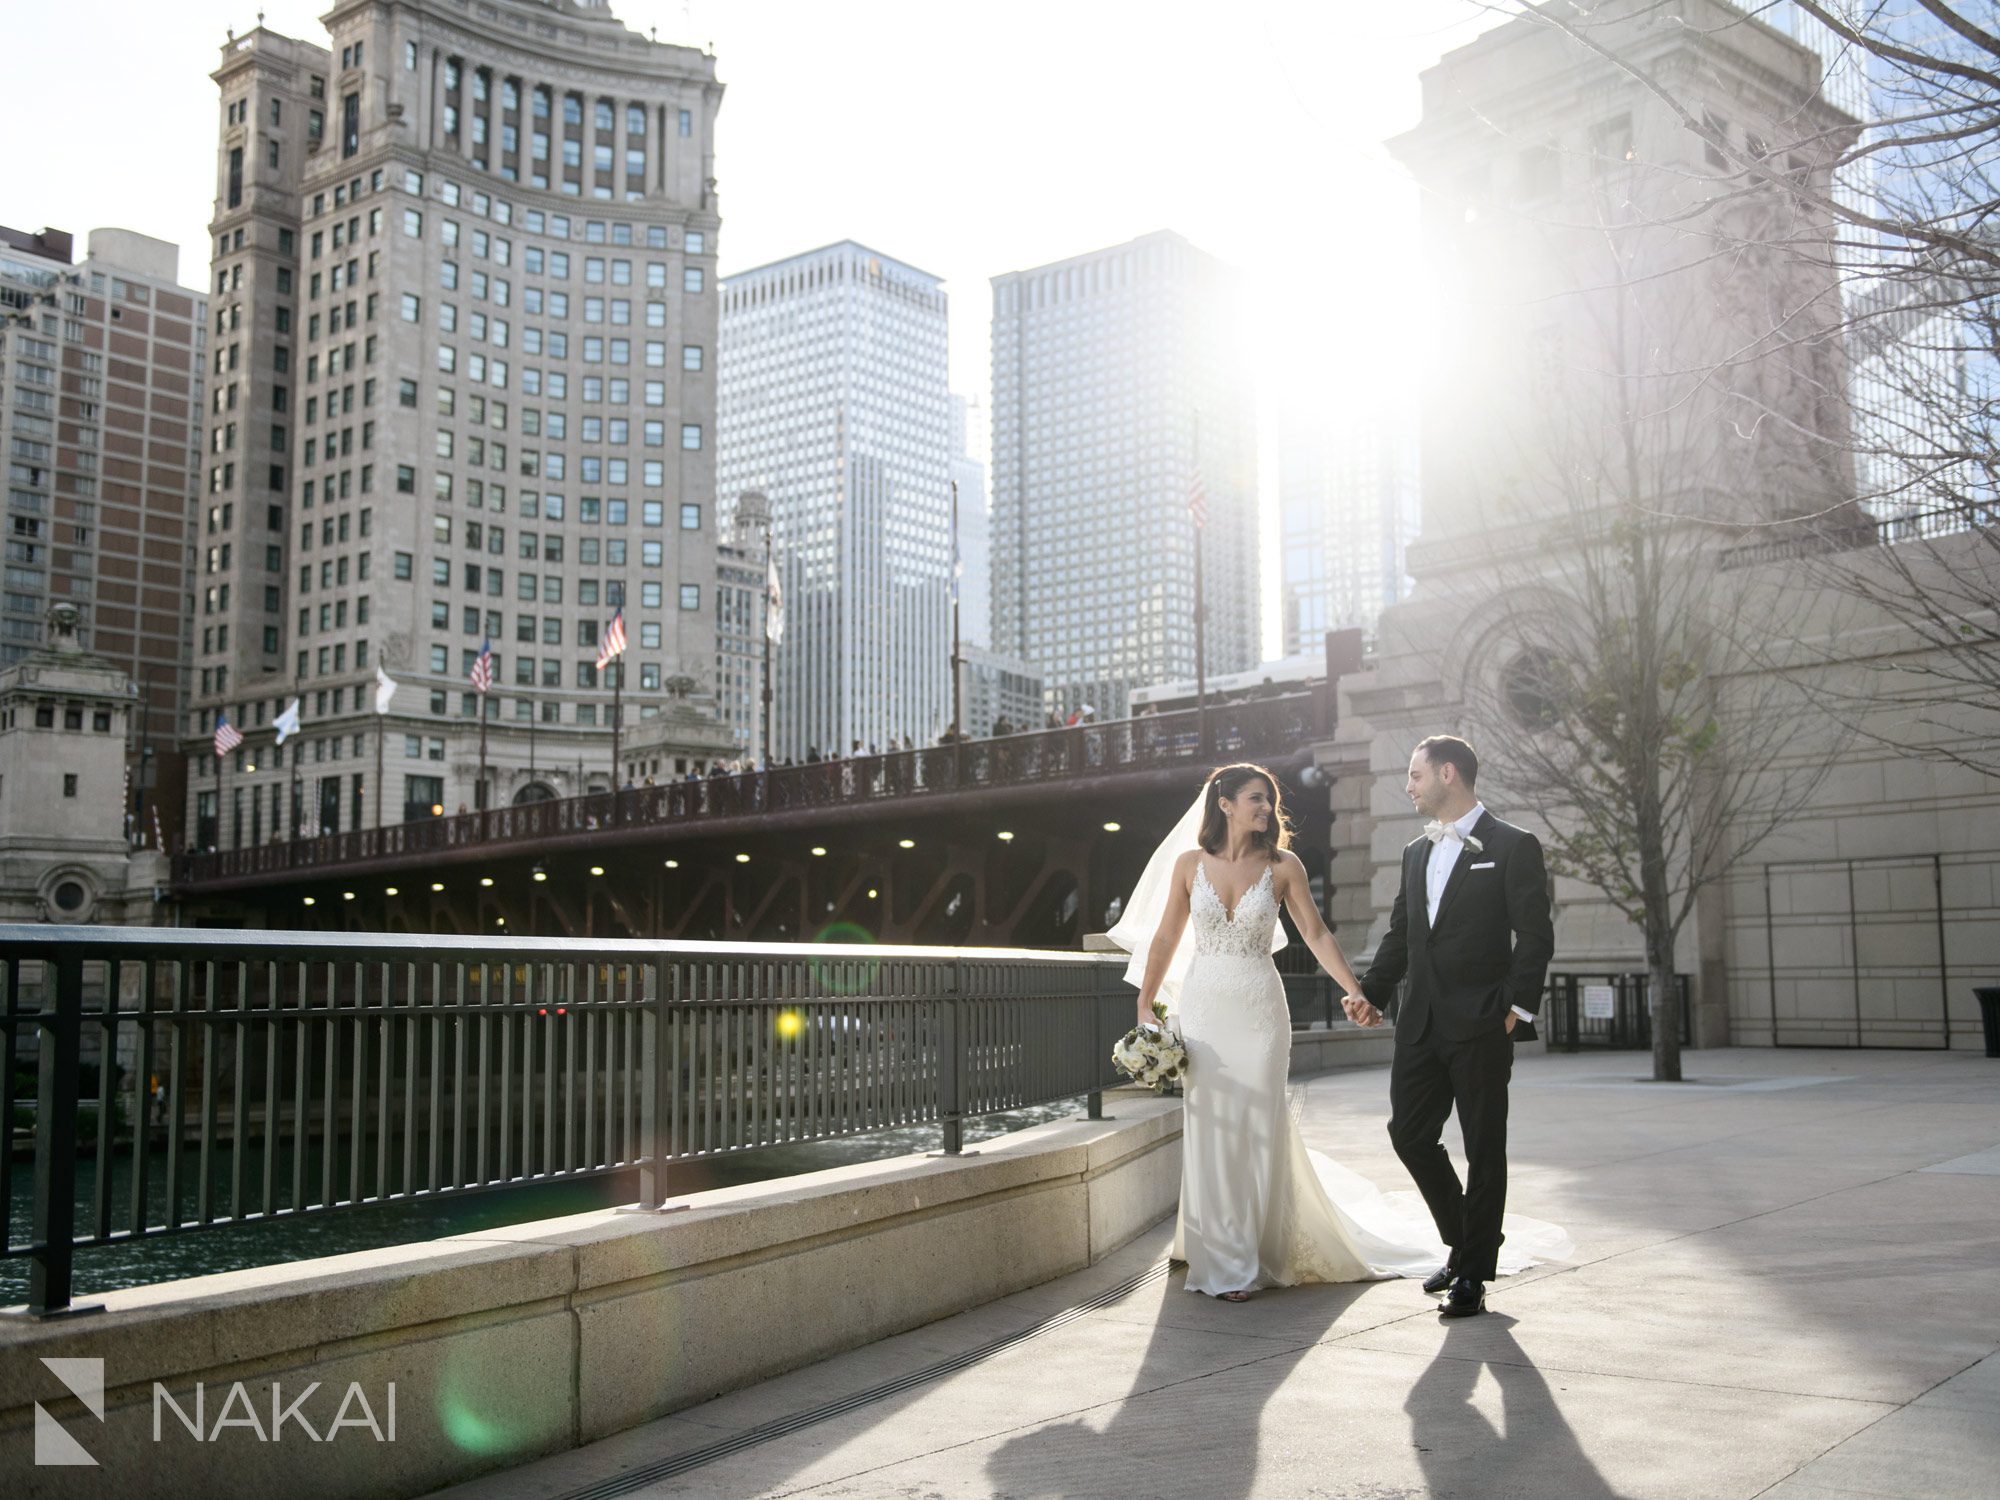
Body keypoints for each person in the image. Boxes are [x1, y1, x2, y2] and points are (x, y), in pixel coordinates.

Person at [1108, 762, 1568, 1305]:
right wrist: (1144, 1004)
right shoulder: (1188, 865)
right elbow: (1164, 938)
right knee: (1212, 1124)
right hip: (1206, 1009)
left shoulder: (1283, 866)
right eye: (1256, 798)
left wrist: (1358, 991)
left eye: (1270, 801)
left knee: (1258, 1124)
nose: (1267, 810)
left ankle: (1247, 1259)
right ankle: (1211, 1243)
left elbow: (1316, 933)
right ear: (1224, 803)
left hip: (1260, 1012)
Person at [1352, 734, 1561, 1317]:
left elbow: (1535, 935)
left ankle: (1472, 1273)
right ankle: (1466, 1240)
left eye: (1415, 775)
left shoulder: (1514, 845)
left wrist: (1517, 1009)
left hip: (1482, 1024)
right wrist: (1371, 993)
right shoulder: (1416, 852)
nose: (1409, 785)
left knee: (1484, 1149)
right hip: (1420, 1021)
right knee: (1409, 1135)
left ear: (1448, 773)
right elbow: (1402, 935)